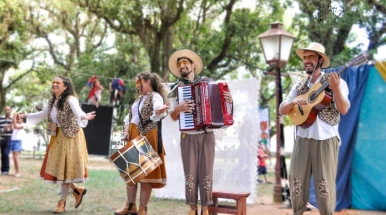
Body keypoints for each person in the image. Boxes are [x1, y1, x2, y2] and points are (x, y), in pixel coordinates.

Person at [279, 42, 350, 215]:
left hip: (326, 139)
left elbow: (344, 109)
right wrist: (293, 102)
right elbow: (282, 109)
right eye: (305, 58)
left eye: (311, 57)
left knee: (323, 183)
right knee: (296, 180)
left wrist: (335, 90)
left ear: (320, 59)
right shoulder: (299, 86)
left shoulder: (335, 81)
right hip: (303, 138)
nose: (307, 61)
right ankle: (298, 212)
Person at [168, 49, 233, 215]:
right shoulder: (177, 89)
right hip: (188, 135)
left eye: (185, 63)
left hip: (207, 135)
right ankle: (192, 207)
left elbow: (224, 108)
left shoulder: (207, 83)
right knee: (190, 172)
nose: (182, 66)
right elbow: (173, 116)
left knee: (206, 171)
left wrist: (229, 101)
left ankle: (205, 208)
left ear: (193, 65)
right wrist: (178, 109)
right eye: (179, 64)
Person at [18, 76, 96, 214]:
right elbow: (42, 114)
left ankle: (62, 203)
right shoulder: (52, 100)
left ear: (65, 87)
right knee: (59, 169)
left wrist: (84, 116)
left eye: (57, 83)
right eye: (53, 82)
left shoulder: (71, 99)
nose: (54, 84)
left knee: (65, 170)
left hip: (70, 137)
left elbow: (78, 112)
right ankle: (77, 190)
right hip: (57, 136)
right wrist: (25, 116)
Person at [115, 71, 169, 215]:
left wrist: (160, 110)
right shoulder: (138, 99)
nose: (137, 85)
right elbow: (129, 118)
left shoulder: (155, 96)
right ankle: (130, 206)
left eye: (139, 82)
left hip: (148, 136)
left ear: (148, 82)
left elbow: (158, 108)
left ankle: (142, 208)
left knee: (146, 178)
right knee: (131, 175)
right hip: (134, 135)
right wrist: (126, 131)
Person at [10, 113, 26, 177]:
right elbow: (11, 128)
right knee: (14, 158)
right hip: (13, 141)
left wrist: (13, 118)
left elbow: (16, 127)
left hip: (17, 141)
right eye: (17, 118)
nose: (17, 119)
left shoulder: (23, 125)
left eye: (19, 118)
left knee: (16, 157)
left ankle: (18, 172)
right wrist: (13, 120)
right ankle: (16, 171)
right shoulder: (15, 123)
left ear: (22, 119)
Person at [0, 106, 13, 175]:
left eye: (8, 110)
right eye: (6, 110)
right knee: (2, 154)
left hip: (9, 139)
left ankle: (6, 170)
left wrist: (8, 129)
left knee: (6, 153)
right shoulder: (1, 119)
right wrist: (3, 129)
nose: (7, 111)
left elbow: (13, 129)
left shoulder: (12, 119)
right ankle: (3, 170)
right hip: (2, 139)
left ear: (10, 111)